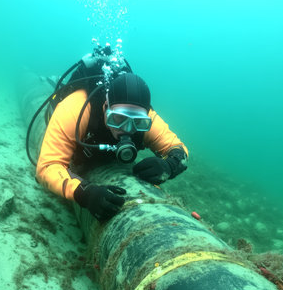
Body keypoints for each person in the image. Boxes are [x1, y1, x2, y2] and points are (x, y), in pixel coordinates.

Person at [36, 54, 189, 221]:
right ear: (106, 107)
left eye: (138, 122)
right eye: (118, 119)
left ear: (146, 116)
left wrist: (169, 165)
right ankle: (52, 81)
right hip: (70, 123)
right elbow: (47, 166)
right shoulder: (74, 110)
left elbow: (178, 149)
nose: (127, 129)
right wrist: (82, 192)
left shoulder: (147, 118)